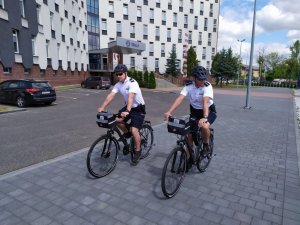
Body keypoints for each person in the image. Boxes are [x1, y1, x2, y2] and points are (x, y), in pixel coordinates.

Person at [164, 65, 217, 167]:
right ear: (194, 78)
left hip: (208, 111)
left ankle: (206, 146)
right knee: (189, 135)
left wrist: (205, 117)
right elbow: (180, 98)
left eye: (203, 78)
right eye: (200, 79)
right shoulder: (189, 86)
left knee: (205, 126)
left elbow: (205, 102)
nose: (202, 81)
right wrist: (169, 112)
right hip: (195, 112)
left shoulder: (207, 86)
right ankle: (189, 158)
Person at [98, 64, 146, 165]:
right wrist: (102, 107)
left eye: (120, 74)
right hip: (128, 108)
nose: (118, 76)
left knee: (134, 130)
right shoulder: (118, 84)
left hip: (138, 109)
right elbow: (111, 95)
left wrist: (128, 110)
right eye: (117, 74)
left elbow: (130, 97)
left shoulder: (132, 83)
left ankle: (138, 150)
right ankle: (127, 133)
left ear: (125, 73)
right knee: (115, 119)